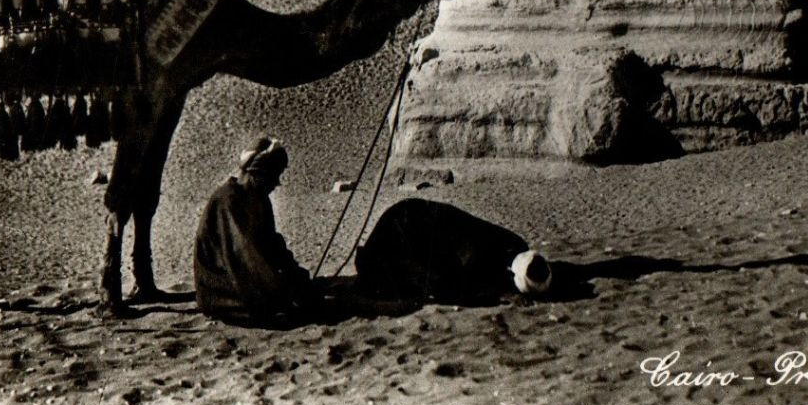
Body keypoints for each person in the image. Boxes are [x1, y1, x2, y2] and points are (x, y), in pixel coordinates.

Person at [194, 137, 320, 326]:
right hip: (221, 288)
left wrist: (298, 278)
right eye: (273, 175)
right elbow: (246, 256)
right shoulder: (228, 201)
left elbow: (273, 244)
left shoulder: (259, 198)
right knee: (279, 310)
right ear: (256, 173)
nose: (277, 183)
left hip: (247, 277)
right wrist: (281, 291)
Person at [354, 198, 553, 305]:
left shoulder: (517, 244)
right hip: (405, 224)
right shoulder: (477, 256)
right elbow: (447, 288)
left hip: (409, 215)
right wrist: (498, 294)